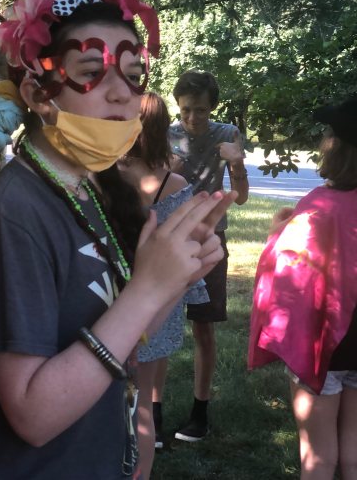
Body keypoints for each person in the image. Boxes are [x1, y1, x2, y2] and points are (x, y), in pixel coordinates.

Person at [0, 0, 236, 479]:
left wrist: (175, 276)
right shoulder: (13, 216)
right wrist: (146, 291)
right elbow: (33, 415)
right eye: (90, 72)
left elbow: (123, 338)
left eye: (133, 75)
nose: (123, 92)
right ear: (38, 95)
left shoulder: (89, 193)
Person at [248, 95, 357, 480]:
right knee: (354, 451)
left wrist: (277, 233)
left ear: (336, 146)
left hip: (324, 347)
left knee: (319, 456)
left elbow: (286, 276)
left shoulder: (319, 205)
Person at [118, 92, 209, 478]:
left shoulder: (108, 175)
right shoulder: (176, 184)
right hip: (162, 297)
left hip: (118, 294)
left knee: (112, 395)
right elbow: (189, 243)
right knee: (142, 404)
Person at [167, 70, 249, 442]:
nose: (192, 118)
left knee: (203, 326)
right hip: (169, 239)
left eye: (200, 110)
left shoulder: (227, 134)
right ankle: (152, 413)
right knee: (158, 326)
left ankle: (199, 414)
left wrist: (236, 163)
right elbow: (151, 188)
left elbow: (241, 197)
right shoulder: (167, 134)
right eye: (185, 109)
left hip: (211, 241)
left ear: (212, 107)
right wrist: (167, 171)